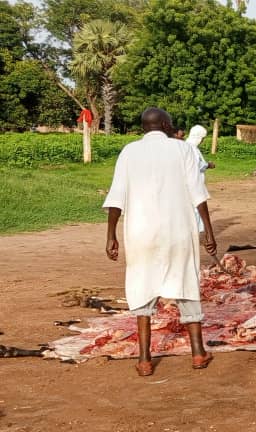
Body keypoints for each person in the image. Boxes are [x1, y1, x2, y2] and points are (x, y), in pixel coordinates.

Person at [103, 108, 216, 376]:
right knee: (185, 283)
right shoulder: (183, 150)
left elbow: (117, 196)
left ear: (144, 127)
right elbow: (197, 194)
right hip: (178, 231)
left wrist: (111, 235)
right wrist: (208, 232)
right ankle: (198, 353)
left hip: (141, 232)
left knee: (142, 286)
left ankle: (144, 359)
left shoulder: (129, 152)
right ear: (165, 124)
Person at [184, 125, 215, 232]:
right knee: (195, 209)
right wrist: (207, 165)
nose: (202, 141)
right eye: (202, 138)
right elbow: (196, 165)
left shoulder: (190, 147)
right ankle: (193, 233)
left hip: (193, 183)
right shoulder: (190, 148)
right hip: (192, 184)